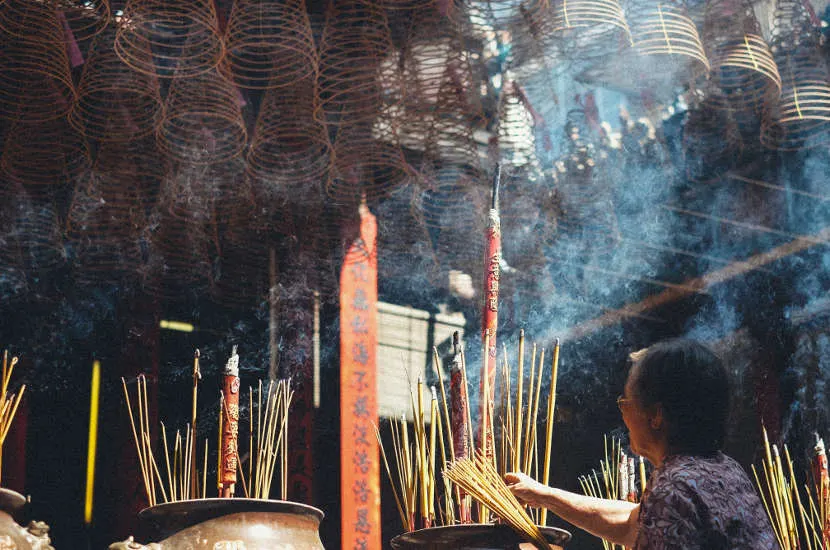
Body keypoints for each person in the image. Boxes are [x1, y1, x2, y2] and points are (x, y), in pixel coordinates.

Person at [505, 338, 777, 549]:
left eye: (625, 403)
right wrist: (543, 495)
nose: (622, 413)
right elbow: (632, 523)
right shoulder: (724, 470)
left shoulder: (675, 490)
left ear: (656, 416)